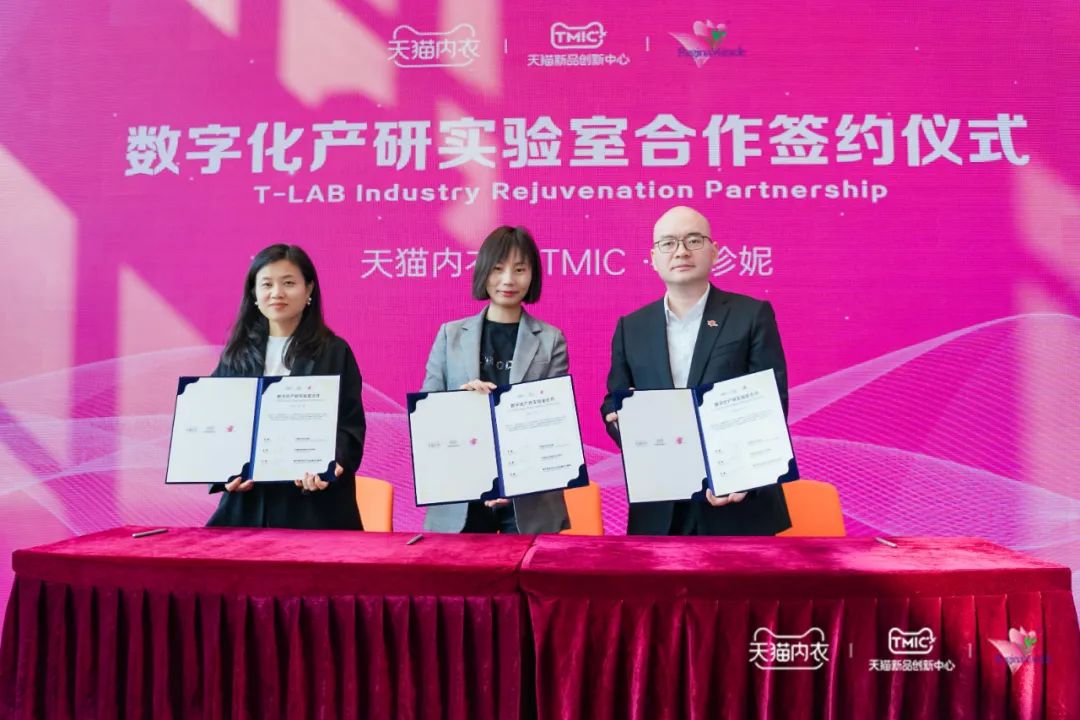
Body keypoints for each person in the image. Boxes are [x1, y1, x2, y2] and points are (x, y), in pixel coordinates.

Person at [601, 206, 791, 535]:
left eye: (693, 240)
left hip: (737, 501)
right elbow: (614, 399)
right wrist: (621, 421)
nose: (681, 251)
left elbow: (771, 403)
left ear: (714, 251)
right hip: (660, 505)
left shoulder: (751, 314)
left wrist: (745, 474)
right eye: (668, 243)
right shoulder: (631, 327)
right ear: (653, 258)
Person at [421, 225, 570, 534]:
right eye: (498, 269)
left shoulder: (551, 340)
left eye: (520, 269)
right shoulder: (450, 335)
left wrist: (515, 480)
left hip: (529, 499)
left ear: (532, 275)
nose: (508, 280)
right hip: (460, 494)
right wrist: (459, 400)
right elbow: (426, 416)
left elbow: (552, 424)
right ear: (484, 271)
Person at [206, 244, 366, 530]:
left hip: (313, 506)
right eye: (267, 284)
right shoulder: (237, 353)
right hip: (248, 506)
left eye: (289, 283)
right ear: (254, 293)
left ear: (309, 290)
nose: (277, 293)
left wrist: (330, 463)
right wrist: (223, 473)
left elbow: (349, 427)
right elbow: (216, 423)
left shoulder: (334, 351)